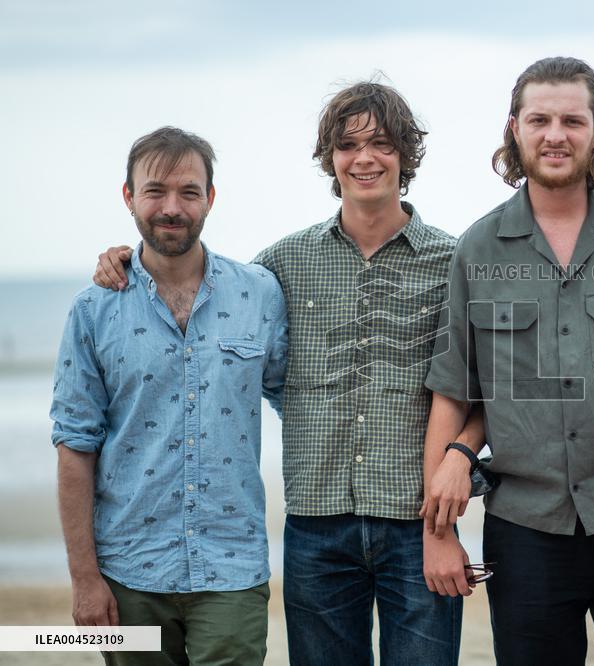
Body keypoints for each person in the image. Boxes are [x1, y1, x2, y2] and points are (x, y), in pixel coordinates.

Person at [92, 83, 482, 666]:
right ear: (331, 159)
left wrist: (460, 459)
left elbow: (481, 389)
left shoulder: (454, 262)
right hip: (315, 529)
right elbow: (211, 313)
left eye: (380, 143)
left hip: (417, 525)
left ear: (405, 154)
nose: (365, 158)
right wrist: (128, 262)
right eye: (348, 146)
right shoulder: (279, 266)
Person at [422, 56, 594, 665]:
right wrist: (437, 536)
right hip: (525, 528)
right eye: (539, 119)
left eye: (572, 120)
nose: (555, 135)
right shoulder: (478, 247)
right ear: (514, 128)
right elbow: (454, 390)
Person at [52, 126, 288, 665]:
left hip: (231, 564)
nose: (171, 207)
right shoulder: (92, 311)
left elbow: (298, 401)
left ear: (211, 198)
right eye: (155, 190)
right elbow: (74, 446)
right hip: (127, 570)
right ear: (129, 196)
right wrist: (84, 578)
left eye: (188, 191)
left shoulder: (259, 293)